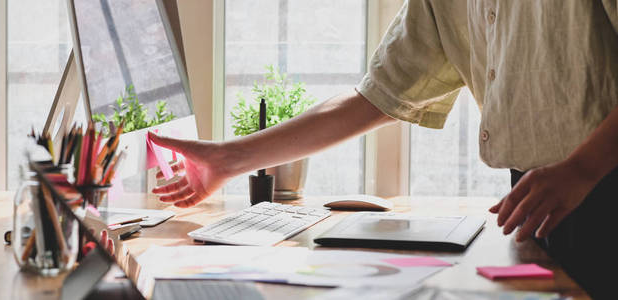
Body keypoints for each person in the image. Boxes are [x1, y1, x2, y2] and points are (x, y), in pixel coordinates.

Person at [149, 1, 618, 298]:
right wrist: (230, 159)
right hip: (539, 202)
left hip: (603, 182)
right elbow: (378, 94)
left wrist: (582, 167)